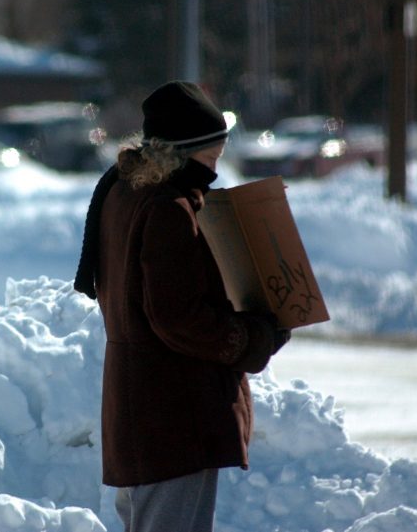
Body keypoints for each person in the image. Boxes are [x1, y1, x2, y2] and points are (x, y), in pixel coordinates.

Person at [74, 81, 291, 532]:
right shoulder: (169, 209)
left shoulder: (124, 191)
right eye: (210, 158)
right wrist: (255, 337)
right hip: (173, 419)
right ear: (179, 153)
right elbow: (178, 318)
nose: (214, 170)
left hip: (142, 413)